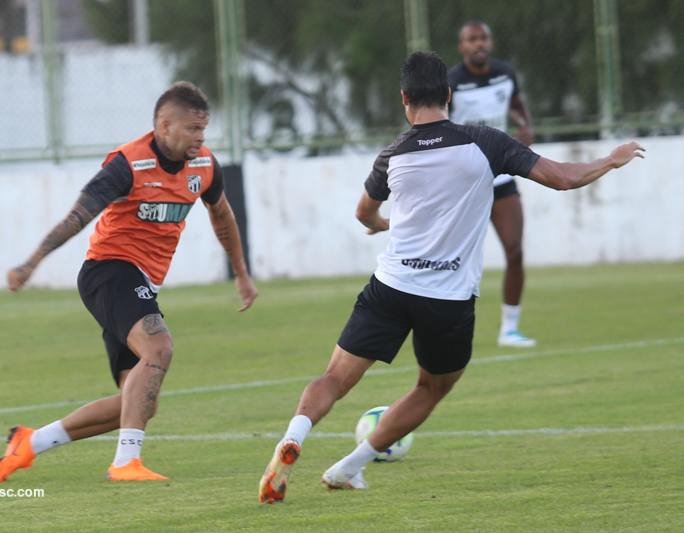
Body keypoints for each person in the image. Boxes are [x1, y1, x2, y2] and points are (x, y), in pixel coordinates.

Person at [258, 51, 644, 503]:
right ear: (448, 95)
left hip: (390, 287)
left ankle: (294, 439)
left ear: (404, 98)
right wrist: (611, 160)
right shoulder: (485, 141)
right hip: (448, 300)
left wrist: (383, 226)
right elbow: (560, 178)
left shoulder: (393, 154)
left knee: (335, 379)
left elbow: (364, 211)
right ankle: (349, 466)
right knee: (432, 387)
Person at [0, 81, 258, 483]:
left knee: (137, 402)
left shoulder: (204, 165)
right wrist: (32, 262)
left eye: (204, 130)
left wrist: (241, 273)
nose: (200, 138)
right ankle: (125, 463)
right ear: (163, 125)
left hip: (141, 282)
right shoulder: (128, 164)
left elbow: (221, 215)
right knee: (160, 347)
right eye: (192, 129)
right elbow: (76, 217)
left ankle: (29, 444)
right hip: (109, 271)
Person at [448, 20, 537, 347]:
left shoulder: (505, 73)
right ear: (463, 47)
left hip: (500, 177)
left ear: (491, 42)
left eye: (483, 37)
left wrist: (525, 125)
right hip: (464, 183)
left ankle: (509, 329)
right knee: (454, 259)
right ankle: (445, 328)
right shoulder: (453, 81)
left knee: (514, 251)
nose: (479, 43)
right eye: (472, 39)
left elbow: (516, 104)